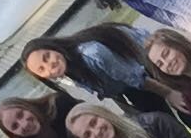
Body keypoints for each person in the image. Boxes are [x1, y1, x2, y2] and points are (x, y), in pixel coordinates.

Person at [21, 23, 174, 112]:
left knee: (180, 107)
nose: (50, 65)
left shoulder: (91, 53)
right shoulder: (71, 70)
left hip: (150, 62)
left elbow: (135, 78)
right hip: (132, 84)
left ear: (53, 47)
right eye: (42, 69)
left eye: (47, 56)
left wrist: (169, 93)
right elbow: (112, 89)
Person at [0, 93, 81, 138]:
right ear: (13, 135)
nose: (24, 124)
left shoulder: (60, 105)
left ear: (26, 106)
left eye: (20, 114)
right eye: (15, 126)